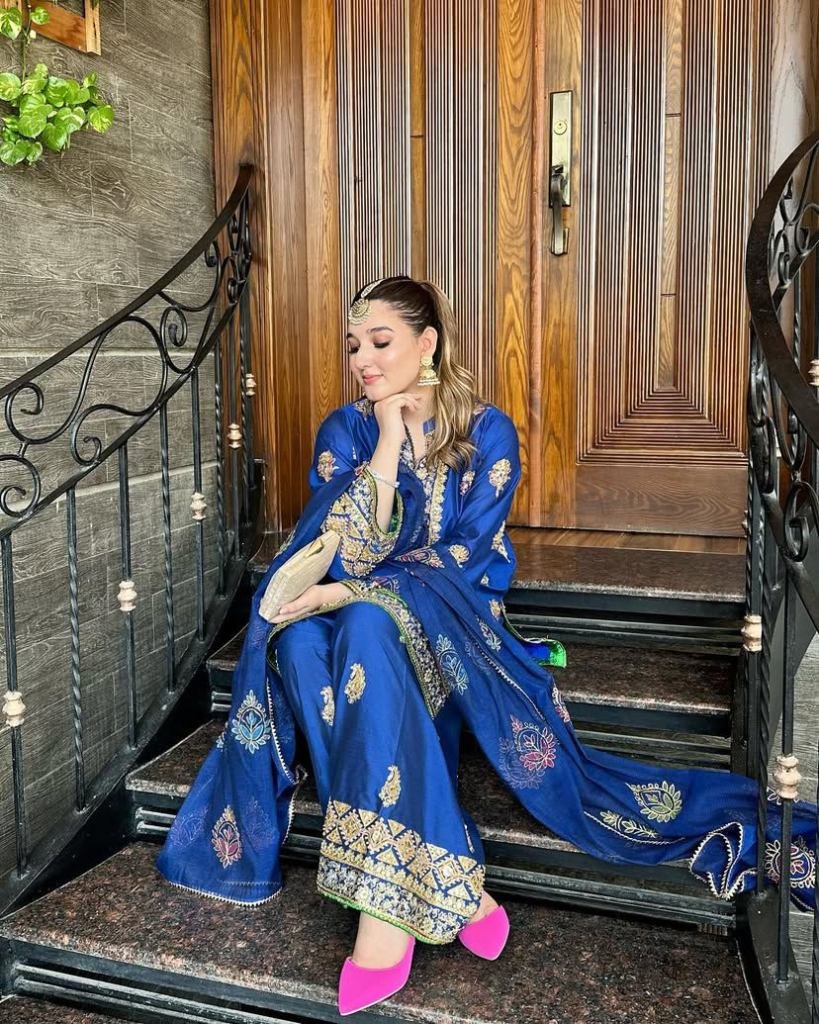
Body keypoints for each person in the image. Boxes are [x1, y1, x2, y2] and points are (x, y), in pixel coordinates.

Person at [157, 275, 817, 1016]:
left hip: (454, 623)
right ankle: (455, 885)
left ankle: (385, 919)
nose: (362, 359)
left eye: (380, 342)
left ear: (427, 343)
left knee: (365, 623)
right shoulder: (345, 431)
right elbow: (341, 549)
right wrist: (386, 443)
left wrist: (349, 594)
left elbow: (465, 558)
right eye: (353, 346)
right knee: (295, 644)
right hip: (350, 616)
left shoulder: (486, 433)